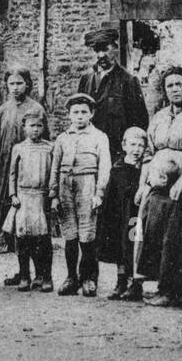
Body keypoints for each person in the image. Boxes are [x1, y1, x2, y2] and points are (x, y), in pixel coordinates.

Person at [139, 66, 182, 308]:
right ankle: (164, 286)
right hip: (159, 185)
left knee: (177, 237)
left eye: (179, 84)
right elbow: (148, 151)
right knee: (154, 231)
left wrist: (181, 174)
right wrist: (147, 180)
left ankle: (179, 291)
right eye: (169, 86)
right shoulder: (160, 116)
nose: (174, 89)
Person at [50, 93, 111, 297]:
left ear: (91, 114)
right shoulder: (62, 138)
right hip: (65, 185)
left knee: (87, 234)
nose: (79, 116)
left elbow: (105, 167)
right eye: (75, 112)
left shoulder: (99, 137)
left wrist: (99, 193)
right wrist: (54, 194)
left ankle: (89, 278)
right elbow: (55, 167)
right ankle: (71, 277)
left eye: (84, 112)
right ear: (69, 115)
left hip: (88, 184)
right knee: (70, 234)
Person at [0, 65, 45, 283]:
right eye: (11, 83)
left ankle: (38, 272)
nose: (15, 88)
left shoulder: (35, 109)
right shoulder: (2, 110)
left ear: (28, 84)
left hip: (29, 171)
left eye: (19, 83)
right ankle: (21, 270)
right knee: (13, 221)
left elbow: (44, 143)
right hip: (6, 169)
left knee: (32, 223)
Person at [77, 27, 149, 160]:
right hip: (89, 151)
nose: (101, 55)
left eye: (105, 49)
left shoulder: (128, 81)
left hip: (116, 154)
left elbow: (139, 123)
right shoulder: (86, 80)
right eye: (97, 50)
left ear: (115, 49)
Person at [97, 127, 148, 300]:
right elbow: (111, 194)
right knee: (119, 246)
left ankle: (136, 284)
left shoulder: (144, 169)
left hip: (135, 216)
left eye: (141, 145)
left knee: (134, 246)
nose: (137, 150)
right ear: (124, 145)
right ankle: (120, 281)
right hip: (119, 215)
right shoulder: (117, 168)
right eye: (133, 145)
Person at [9, 109, 55, 292]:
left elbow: (54, 172)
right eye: (32, 126)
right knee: (23, 238)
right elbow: (12, 174)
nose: (35, 129)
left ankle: (45, 277)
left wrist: (53, 194)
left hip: (42, 196)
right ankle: (24, 275)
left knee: (43, 239)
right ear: (24, 127)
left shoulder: (49, 147)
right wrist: (13, 195)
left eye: (39, 126)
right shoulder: (18, 148)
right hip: (23, 197)